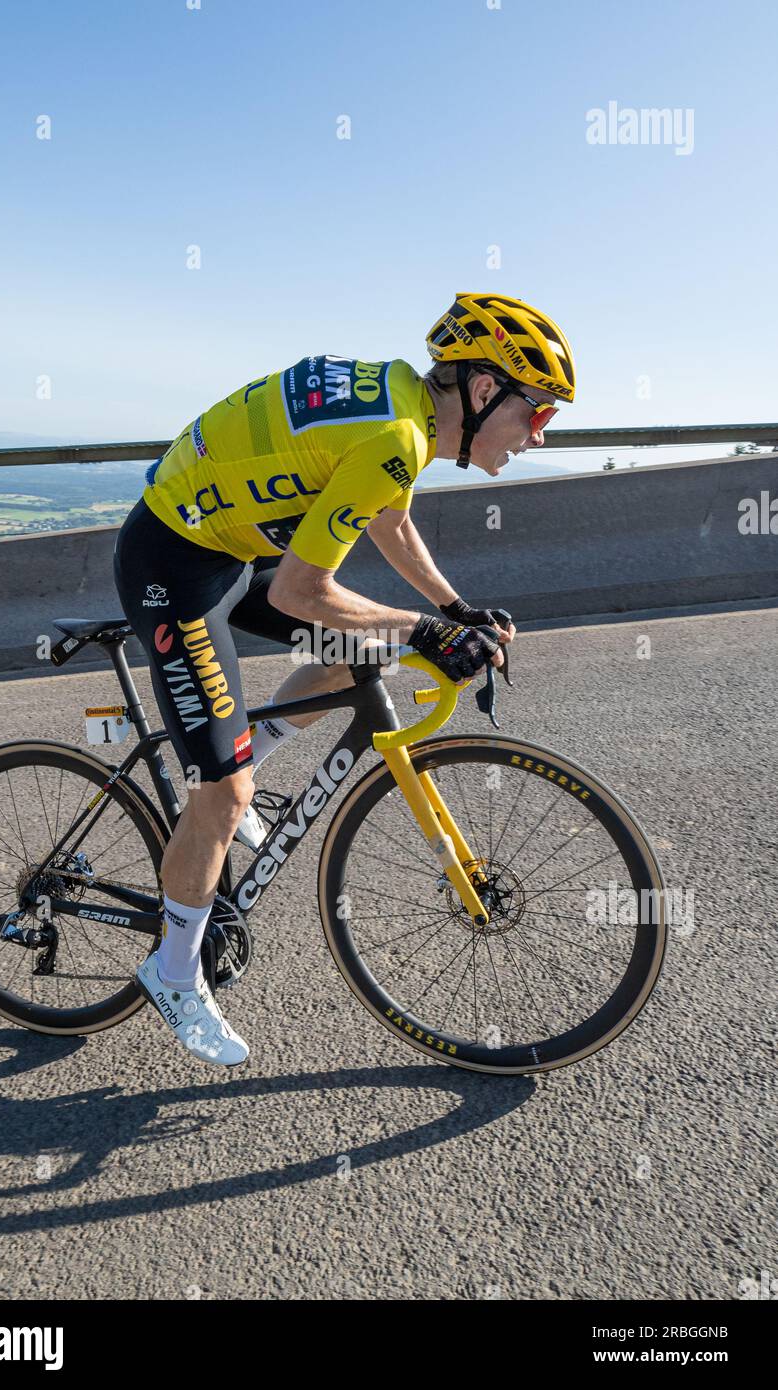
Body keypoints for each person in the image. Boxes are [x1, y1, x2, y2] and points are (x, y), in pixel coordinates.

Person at [113, 292, 576, 1066]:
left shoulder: (407, 410)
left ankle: (242, 763)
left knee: (360, 647)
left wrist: (454, 607)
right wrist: (430, 630)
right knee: (221, 795)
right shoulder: (395, 432)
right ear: (486, 389)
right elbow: (301, 593)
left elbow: (389, 520)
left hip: (232, 548)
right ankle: (172, 971)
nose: (537, 435)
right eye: (539, 414)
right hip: (173, 565)